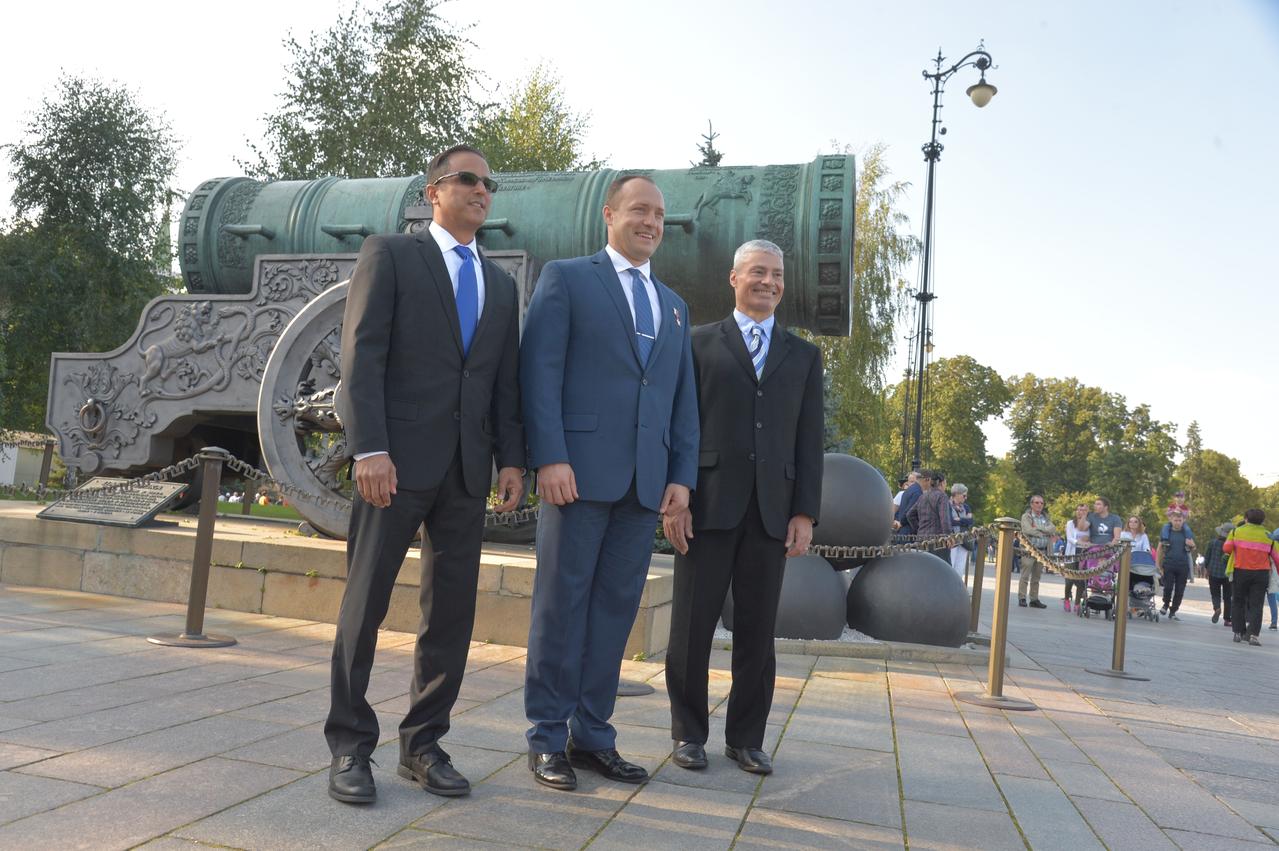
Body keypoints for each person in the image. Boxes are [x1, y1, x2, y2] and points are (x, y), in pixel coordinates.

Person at [326, 145, 525, 804]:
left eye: (488, 184)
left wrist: (513, 459)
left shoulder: (499, 285)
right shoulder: (391, 255)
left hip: (466, 471)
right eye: (468, 179)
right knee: (366, 602)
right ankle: (351, 745)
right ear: (434, 190)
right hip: (395, 463)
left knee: (452, 612)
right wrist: (369, 448)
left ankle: (423, 743)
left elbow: (500, 382)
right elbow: (363, 356)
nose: (481, 190)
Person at [520, 174, 698, 792]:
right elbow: (538, 373)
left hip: (644, 487)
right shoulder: (568, 279)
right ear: (610, 215)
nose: (651, 222)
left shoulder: (674, 305)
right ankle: (547, 736)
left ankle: (593, 734)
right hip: (576, 476)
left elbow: (681, 401)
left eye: (659, 215)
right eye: (639, 210)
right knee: (560, 608)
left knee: (614, 613)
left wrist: (681, 478)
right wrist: (549, 456)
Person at [663, 239, 823, 777]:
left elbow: (809, 439)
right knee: (691, 628)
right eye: (759, 272)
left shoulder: (803, 357)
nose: (769, 283)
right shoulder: (696, 344)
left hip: (771, 512)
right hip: (705, 506)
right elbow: (678, 425)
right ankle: (688, 734)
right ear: (734, 278)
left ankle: (746, 738)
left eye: (777, 275)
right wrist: (676, 492)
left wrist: (805, 512)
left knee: (758, 632)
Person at [1224, 508, 1279, 646]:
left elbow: (1227, 549)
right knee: (1257, 604)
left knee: (1238, 601)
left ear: (1246, 519)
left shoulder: (1236, 532)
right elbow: (1277, 558)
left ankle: (1238, 632)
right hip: (1261, 574)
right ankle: (1253, 635)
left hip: (1240, 571)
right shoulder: (1268, 536)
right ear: (1262, 521)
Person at [1156, 510, 1195, 619]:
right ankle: (1166, 604)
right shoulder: (1166, 533)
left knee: (1180, 590)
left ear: (1183, 521)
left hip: (1183, 565)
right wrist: (1158, 565)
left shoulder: (1186, 533)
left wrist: (1192, 545)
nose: (1177, 522)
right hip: (1169, 563)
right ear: (1171, 520)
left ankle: (1173, 610)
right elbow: (1159, 549)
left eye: (1179, 520)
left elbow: (1192, 547)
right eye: (1175, 520)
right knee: (1167, 587)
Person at [1018, 495, 1056, 608]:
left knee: (1036, 577)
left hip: (1042, 552)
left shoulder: (1046, 517)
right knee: (1025, 575)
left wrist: (1038, 529)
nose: (1039, 505)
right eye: (1037, 503)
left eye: (1041, 503)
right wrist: (1044, 532)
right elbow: (1027, 530)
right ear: (1031, 504)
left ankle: (1034, 599)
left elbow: (1053, 528)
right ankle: (1022, 597)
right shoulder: (1026, 516)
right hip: (1029, 550)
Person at [1203, 523, 1234, 627]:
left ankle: (1217, 608)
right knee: (1227, 597)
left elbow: (1207, 557)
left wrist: (1206, 568)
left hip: (1213, 572)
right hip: (1227, 574)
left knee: (1215, 594)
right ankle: (1227, 619)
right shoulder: (1233, 545)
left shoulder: (1212, 543)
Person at [1062, 503, 1090, 612]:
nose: (1080, 512)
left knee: (1081, 580)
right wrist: (1079, 541)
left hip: (1084, 553)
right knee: (1069, 579)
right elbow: (1069, 538)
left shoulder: (1089, 524)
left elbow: (1089, 538)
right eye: (1078, 509)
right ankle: (1067, 599)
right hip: (1071, 553)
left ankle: (1077, 603)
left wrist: (1086, 543)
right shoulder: (1070, 523)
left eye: (1083, 510)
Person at [948, 483, 974, 579]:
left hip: (964, 540)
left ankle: (957, 589)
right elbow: (950, 521)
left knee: (960, 567)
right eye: (964, 495)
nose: (965, 498)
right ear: (957, 494)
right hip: (952, 539)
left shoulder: (966, 507)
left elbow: (971, 521)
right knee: (951, 565)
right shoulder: (947, 505)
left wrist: (960, 520)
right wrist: (964, 520)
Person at [894, 470, 926, 535]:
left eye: (914, 481)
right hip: (909, 530)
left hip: (902, 530)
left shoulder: (906, 493)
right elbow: (909, 512)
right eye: (910, 482)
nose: (912, 484)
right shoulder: (916, 493)